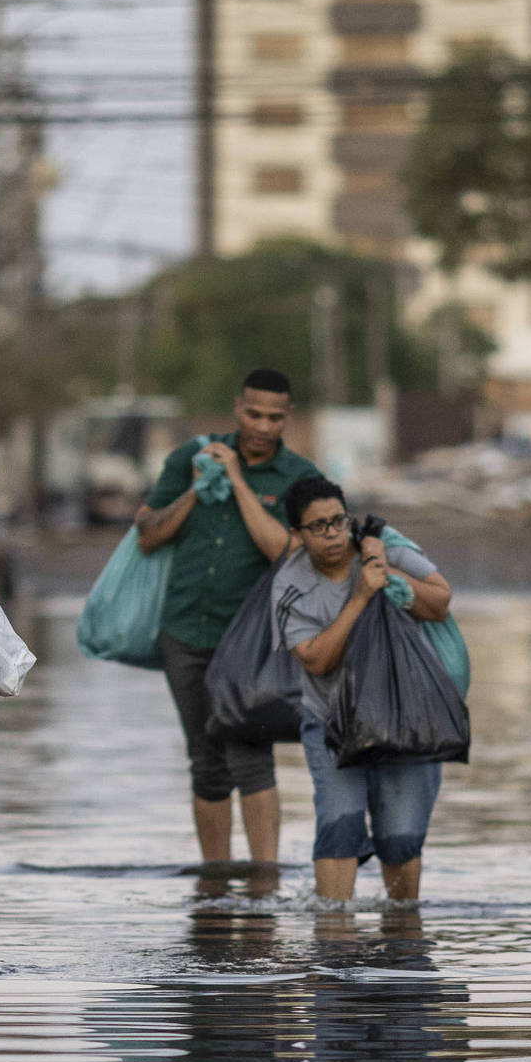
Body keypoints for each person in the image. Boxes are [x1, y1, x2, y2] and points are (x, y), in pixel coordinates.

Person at [133, 368, 318, 864]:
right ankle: (215, 886)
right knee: (207, 760)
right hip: (185, 632)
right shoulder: (188, 457)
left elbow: (285, 552)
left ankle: (265, 882)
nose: (262, 425)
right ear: (238, 408)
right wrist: (197, 487)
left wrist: (236, 480)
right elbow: (148, 533)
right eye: (254, 413)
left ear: (288, 418)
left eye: (274, 417)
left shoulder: (301, 478)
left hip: (253, 641)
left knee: (252, 755)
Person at [274, 474, 452, 905]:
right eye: (318, 526)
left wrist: (384, 571)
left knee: (401, 838)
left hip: (407, 719)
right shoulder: (289, 587)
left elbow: (441, 601)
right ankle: (333, 945)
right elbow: (316, 660)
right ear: (297, 535)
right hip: (331, 723)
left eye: (338, 520)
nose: (333, 534)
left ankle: (403, 937)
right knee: (338, 827)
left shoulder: (382, 545)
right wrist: (361, 595)